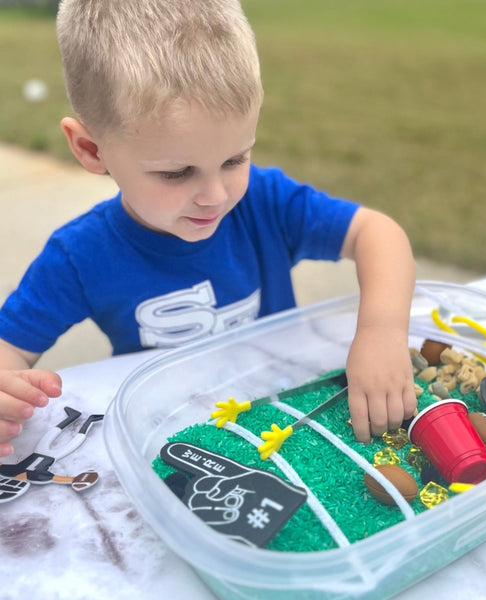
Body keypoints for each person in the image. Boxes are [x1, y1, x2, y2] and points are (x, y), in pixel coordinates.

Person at [0, 0, 416, 457]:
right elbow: (10, 349)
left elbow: (378, 234)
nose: (215, 195)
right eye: (177, 173)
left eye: (235, 159)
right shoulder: (80, 257)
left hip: (288, 422)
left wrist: (381, 334)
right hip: (172, 439)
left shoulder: (264, 203)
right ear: (91, 149)